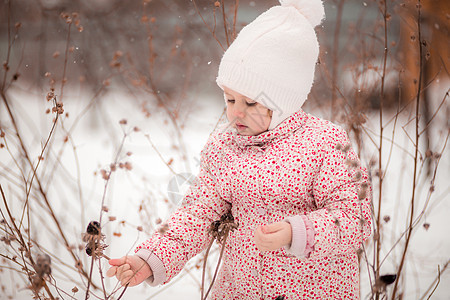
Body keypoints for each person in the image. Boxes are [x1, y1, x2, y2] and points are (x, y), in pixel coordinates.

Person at [106, 0, 372, 298]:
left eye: (250, 103)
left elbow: (355, 219)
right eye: (230, 100)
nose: (236, 114)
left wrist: (296, 232)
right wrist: (151, 259)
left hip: (315, 291)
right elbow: (197, 214)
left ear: (282, 102)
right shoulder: (224, 148)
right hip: (240, 291)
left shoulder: (324, 143)